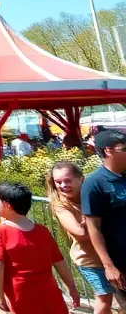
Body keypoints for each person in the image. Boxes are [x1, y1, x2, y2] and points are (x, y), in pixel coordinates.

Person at [0, 181, 79, 314]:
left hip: (20, 292)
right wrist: (71, 286)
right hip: (49, 289)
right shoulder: (42, 231)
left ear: (7, 205)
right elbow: (59, 261)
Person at [47, 161, 114, 314]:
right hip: (89, 260)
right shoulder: (61, 206)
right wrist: (92, 220)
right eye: (58, 182)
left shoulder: (94, 194)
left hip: (111, 255)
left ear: (81, 179)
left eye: (68, 180)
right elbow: (81, 234)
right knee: (104, 297)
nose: (63, 185)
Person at [82, 129, 126, 308]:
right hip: (121, 261)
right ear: (108, 151)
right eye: (124, 149)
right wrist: (109, 266)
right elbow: (94, 228)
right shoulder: (94, 183)